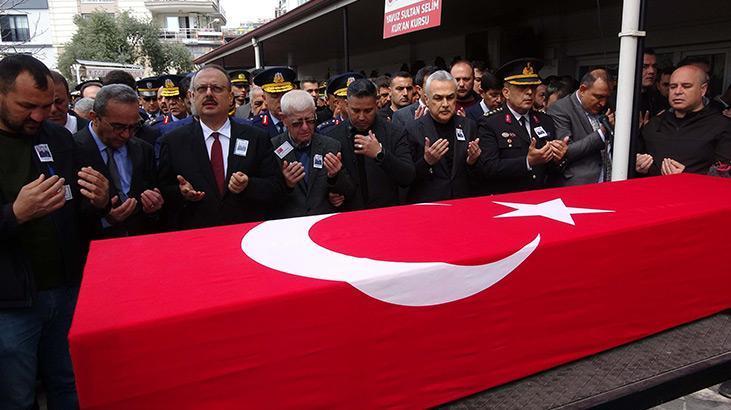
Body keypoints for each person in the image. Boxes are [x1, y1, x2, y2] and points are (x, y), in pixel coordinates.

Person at [0, 54, 110, 409]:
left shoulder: (58, 138)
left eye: (47, 106)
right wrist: (14, 215)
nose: (39, 115)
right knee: (16, 395)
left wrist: (99, 201)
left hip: (67, 291)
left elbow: (81, 212)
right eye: (28, 106)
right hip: (11, 303)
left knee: (70, 384)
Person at [158, 65, 284, 230]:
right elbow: (162, 190)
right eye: (202, 88)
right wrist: (180, 193)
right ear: (192, 96)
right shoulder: (173, 141)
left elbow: (275, 187)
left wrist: (249, 185)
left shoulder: (256, 137)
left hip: (244, 234)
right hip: (197, 236)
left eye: (217, 88)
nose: (209, 93)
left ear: (230, 97)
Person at [74, 84, 162, 237]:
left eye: (133, 126)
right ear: (94, 117)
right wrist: (105, 219)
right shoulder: (71, 150)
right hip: (96, 248)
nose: (126, 135)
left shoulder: (143, 149)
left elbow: (152, 192)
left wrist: (154, 206)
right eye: (118, 127)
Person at [477, 58, 567, 194]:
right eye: (522, 88)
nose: (530, 92)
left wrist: (558, 158)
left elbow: (552, 171)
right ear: (506, 93)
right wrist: (527, 162)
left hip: (541, 196)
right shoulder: (490, 122)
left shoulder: (545, 121)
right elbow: (489, 168)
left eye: (532, 87)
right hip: (508, 198)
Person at [324, 79, 414, 210]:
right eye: (355, 110)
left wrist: (381, 154)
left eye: (368, 111)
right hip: (349, 216)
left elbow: (408, 176)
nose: (361, 117)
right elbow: (322, 185)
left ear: (376, 105)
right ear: (347, 105)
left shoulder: (394, 132)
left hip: (385, 212)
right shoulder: (332, 137)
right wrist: (332, 190)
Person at [270, 90, 355, 218]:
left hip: (323, 223)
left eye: (310, 120)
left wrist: (335, 177)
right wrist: (287, 185)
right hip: (288, 224)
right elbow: (266, 198)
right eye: (297, 123)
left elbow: (349, 191)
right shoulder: (273, 148)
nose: (305, 127)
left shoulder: (331, 146)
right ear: (284, 119)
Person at [635, 64, 731, 176]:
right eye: (673, 87)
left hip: (697, 192)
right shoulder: (654, 124)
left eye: (686, 86)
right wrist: (638, 166)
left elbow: (725, 176)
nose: (678, 91)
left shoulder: (722, 126)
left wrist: (686, 176)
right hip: (653, 191)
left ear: (703, 89)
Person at [404, 70, 481, 203]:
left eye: (450, 97)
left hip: (463, 203)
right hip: (429, 206)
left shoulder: (469, 126)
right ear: (427, 100)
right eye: (438, 98)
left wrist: (472, 162)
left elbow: (481, 175)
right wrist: (426, 162)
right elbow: (405, 178)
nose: (445, 104)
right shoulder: (412, 129)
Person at [547, 69, 614, 186]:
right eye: (599, 97)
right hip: (579, 184)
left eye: (606, 97)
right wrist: (601, 133)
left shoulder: (607, 108)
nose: (603, 103)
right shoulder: (560, 109)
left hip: (609, 179)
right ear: (582, 90)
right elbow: (565, 150)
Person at [251, 67, 297, 138]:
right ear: (264, 98)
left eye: (285, 94)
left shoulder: (303, 121)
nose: (281, 100)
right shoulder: (254, 127)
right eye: (275, 96)